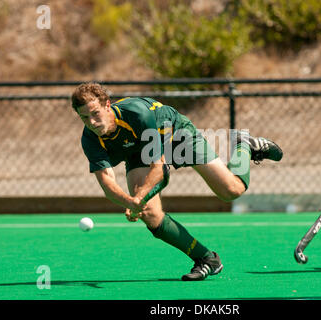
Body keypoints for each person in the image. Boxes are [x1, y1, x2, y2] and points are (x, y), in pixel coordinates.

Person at [71, 82, 283, 281]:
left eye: (95, 113)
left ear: (108, 105)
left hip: (177, 135)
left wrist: (139, 197)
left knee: (231, 190)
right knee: (150, 214)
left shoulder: (137, 114)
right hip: (138, 151)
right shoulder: (90, 139)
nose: (92, 122)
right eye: (84, 118)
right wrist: (130, 202)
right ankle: (206, 258)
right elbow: (107, 183)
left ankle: (244, 146)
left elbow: (159, 169)